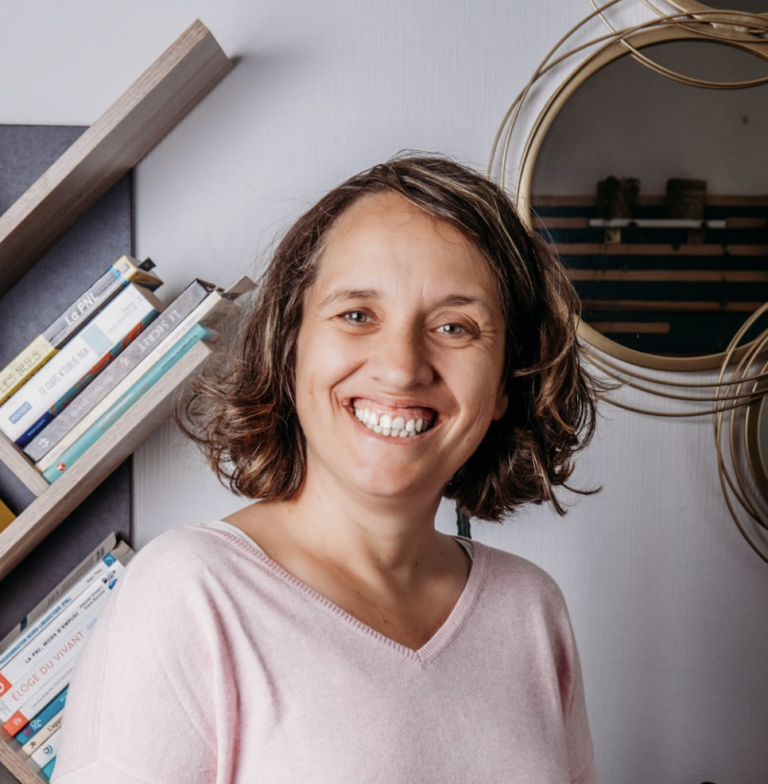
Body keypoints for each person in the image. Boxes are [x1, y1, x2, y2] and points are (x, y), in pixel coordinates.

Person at [53, 155, 600, 783]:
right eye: (357, 315)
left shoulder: (531, 608)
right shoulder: (188, 594)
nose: (401, 367)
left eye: (455, 326)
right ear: (290, 346)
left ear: (507, 379)